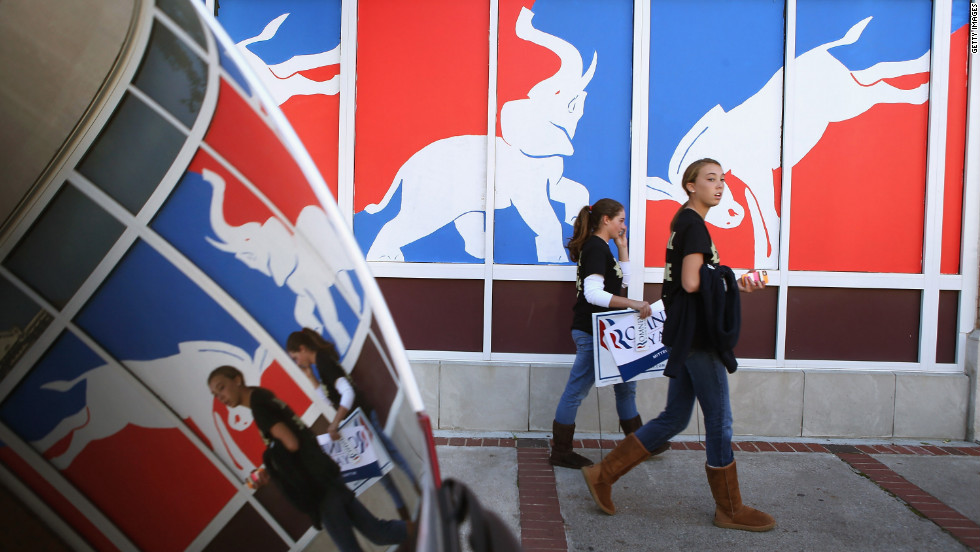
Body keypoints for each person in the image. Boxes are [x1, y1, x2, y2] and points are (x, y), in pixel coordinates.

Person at [581, 158, 775, 532]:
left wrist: (734, 282)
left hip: (685, 335)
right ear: (690, 185)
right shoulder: (694, 226)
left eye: (722, 180)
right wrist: (732, 283)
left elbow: (696, 280)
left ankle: (603, 474)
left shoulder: (682, 222)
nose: (719, 186)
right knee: (720, 420)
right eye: (709, 179)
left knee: (675, 417)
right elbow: (690, 282)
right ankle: (729, 508)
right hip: (699, 339)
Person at [207, 366, 407, 552]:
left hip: (319, 489)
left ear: (237, 379)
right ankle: (432, 525)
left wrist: (269, 463)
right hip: (327, 477)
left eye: (221, 388)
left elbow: (290, 443)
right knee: (379, 532)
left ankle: (431, 526)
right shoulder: (263, 397)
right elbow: (292, 441)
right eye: (216, 395)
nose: (221, 397)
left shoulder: (259, 406)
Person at [550, 198, 666, 469]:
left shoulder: (603, 248)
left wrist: (622, 247)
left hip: (607, 331)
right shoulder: (594, 249)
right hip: (592, 332)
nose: (623, 226)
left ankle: (640, 444)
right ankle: (561, 451)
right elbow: (593, 294)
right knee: (576, 391)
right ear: (606, 220)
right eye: (621, 220)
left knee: (627, 386)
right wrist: (634, 304)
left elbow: (621, 282)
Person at [285, 329, 418, 517]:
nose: (297, 363)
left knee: (386, 462)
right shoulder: (321, 364)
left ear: (303, 348)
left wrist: (334, 423)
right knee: (381, 468)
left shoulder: (323, 362)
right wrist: (310, 378)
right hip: (359, 422)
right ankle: (407, 510)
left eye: (295, 357)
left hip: (362, 419)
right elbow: (332, 400)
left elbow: (348, 393)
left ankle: (417, 497)